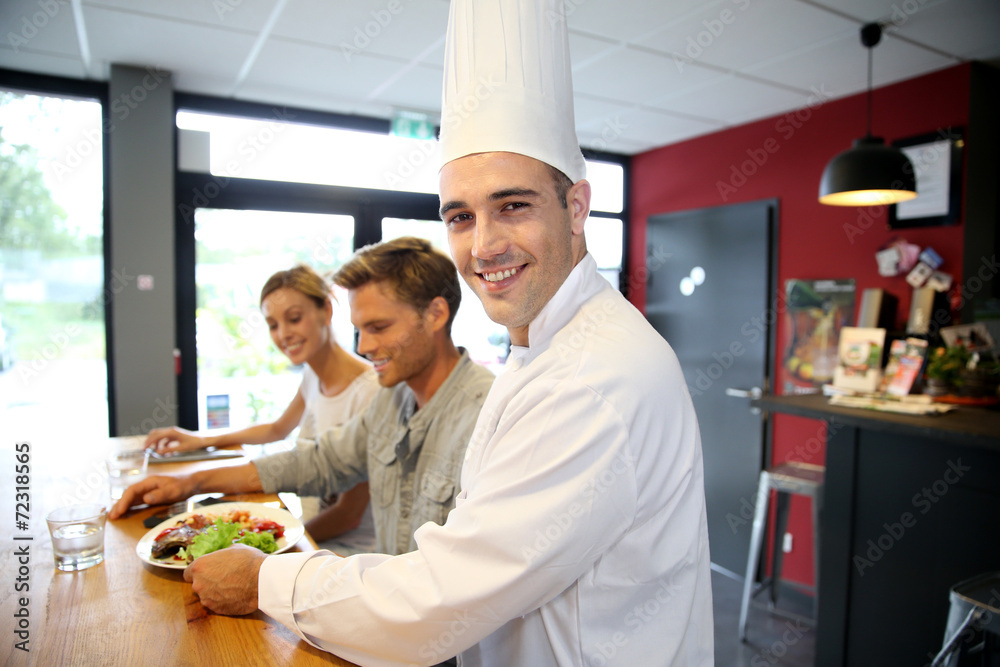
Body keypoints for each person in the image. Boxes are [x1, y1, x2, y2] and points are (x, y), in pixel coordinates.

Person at [116, 0, 714, 663]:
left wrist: (268, 578)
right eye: (460, 216)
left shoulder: (591, 378)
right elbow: (322, 460)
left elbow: (441, 595)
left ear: (577, 206)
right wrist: (198, 478)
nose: (484, 244)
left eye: (512, 205)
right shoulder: (537, 349)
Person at [111, 236, 495, 560]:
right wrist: (192, 483)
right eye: (359, 330)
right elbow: (318, 461)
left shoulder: (486, 413)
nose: (365, 347)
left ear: (435, 315)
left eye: (378, 328)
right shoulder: (391, 400)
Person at [144, 264, 380, 555]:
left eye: (294, 318)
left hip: (348, 553)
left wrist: (275, 539)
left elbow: (349, 514)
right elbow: (277, 429)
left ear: (327, 311)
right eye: (273, 325)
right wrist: (199, 439)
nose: (283, 334)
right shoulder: (313, 374)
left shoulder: (370, 390)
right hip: (312, 538)